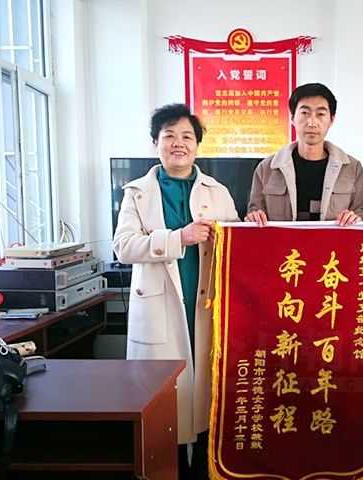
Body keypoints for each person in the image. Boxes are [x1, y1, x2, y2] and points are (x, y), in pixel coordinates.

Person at [113, 103, 240, 479]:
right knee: (164, 405)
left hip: (206, 309)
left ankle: (204, 469)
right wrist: (178, 238)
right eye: (169, 136)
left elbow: (237, 248)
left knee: (206, 400)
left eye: (187, 136)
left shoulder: (218, 191)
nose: (178, 143)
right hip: (160, 311)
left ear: (197, 145)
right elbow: (123, 247)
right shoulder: (137, 193)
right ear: (155, 143)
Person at [245, 82, 363, 225]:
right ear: (292, 118)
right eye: (305, 113)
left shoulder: (352, 168)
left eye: (320, 114)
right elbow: (254, 211)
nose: (312, 122)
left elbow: (361, 213)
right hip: (283, 240)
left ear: (331, 120)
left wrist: (356, 217)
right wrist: (254, 217)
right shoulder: (267, 168)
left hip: (332, 241)